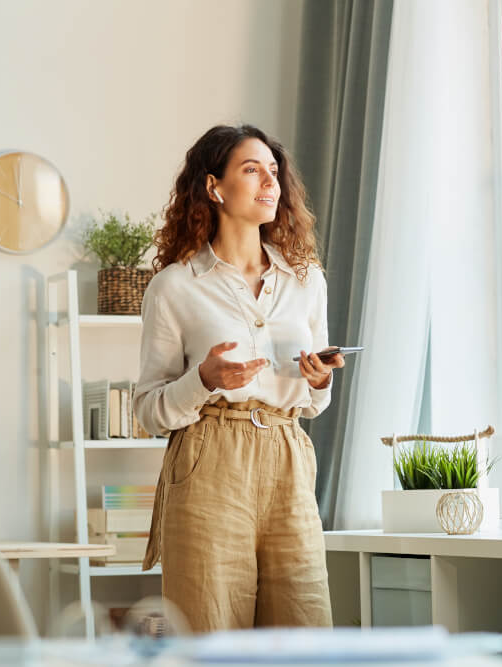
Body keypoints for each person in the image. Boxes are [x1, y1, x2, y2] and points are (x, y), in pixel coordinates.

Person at [133, 124, 345, 632]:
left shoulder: (305, 279)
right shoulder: (174, 287)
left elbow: (314, 401)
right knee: (210, 630)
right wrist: (203, 380)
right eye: (251, 170)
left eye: (274, 172)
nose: (269, 182)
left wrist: (318, 382)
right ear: (214, 187)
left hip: (288, 458)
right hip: (209, 460)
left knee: (304, 625)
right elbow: (146, 410)